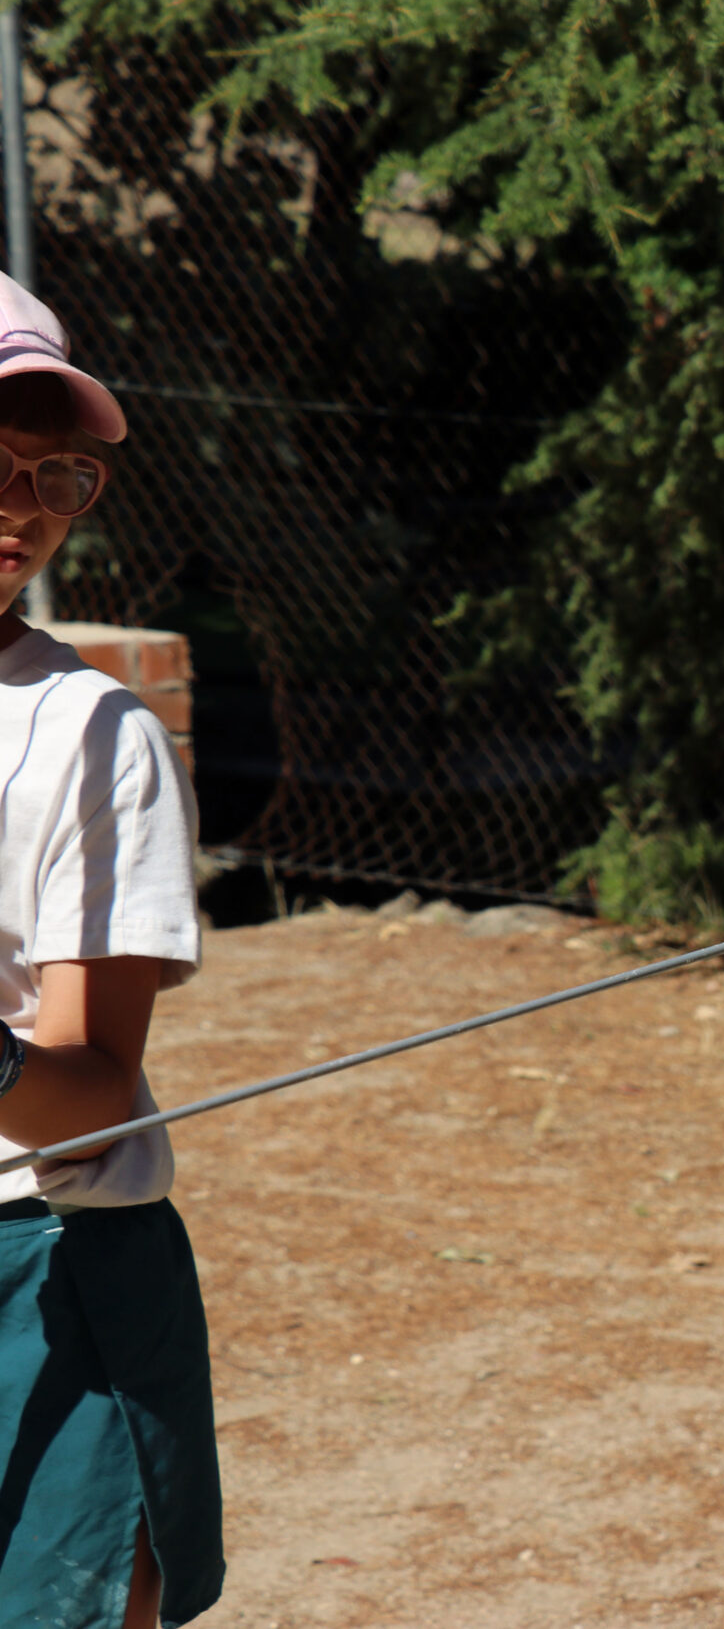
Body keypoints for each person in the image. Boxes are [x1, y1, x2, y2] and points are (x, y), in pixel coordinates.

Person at [0, 272, 223, 1628]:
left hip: (48, 1259)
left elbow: (89, 1079)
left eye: (51, 474)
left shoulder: (91, 734)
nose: (20, 507)